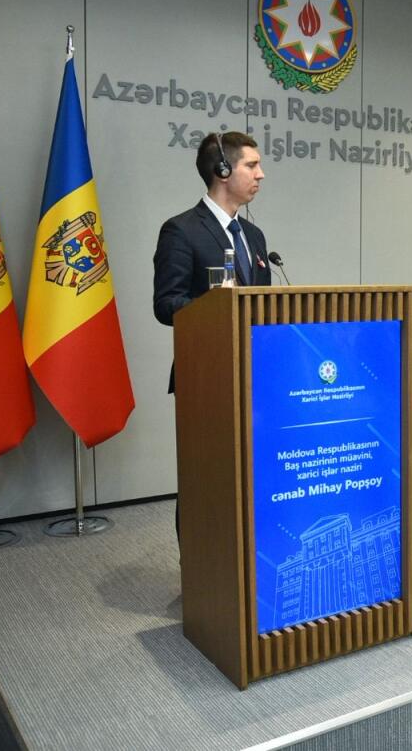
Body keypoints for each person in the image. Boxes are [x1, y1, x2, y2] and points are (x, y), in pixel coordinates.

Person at [153, 131, 271, 538]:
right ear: (223, 170)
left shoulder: (253, 236)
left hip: (255, 375)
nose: (261, 174)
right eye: (251, 165)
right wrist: (214, 306)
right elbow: (166, 304)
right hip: (206, 378)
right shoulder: (181, 231)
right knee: (205, 478)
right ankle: (198, 566)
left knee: (252, 475)